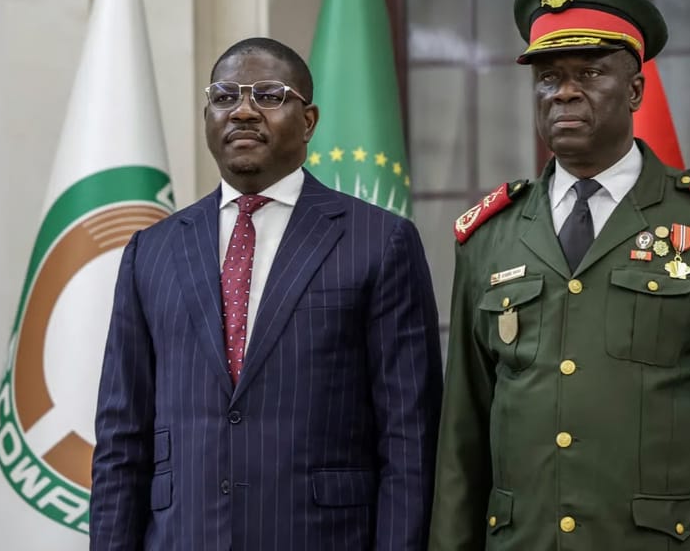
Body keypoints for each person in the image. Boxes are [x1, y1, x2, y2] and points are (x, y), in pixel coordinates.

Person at [428, 0, 690, 550]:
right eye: (548, 77)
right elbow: (462, 439)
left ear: (635, 91)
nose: (564, 93)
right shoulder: (488, 238)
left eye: (590, 73)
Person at [91, 37, 444, 550]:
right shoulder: (152, 250)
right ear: (207, 117)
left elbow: (409, 438)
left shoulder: (378, 240)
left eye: (269, 96)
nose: (243, 111)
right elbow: (121, 439)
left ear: (309, 121)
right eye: (224, 97)